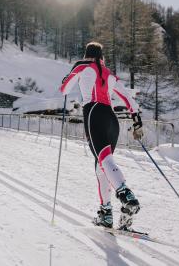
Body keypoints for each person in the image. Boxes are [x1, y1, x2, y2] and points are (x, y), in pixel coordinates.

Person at [60, 42, 144, 230]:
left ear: (87, 54)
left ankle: (126, 195)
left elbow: (64, 89)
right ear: (101, 56)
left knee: (104, 161)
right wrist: (136, 120)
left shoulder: (82, 67)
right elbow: (128, 98)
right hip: (112, 120)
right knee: (102, 165)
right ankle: (105, 214)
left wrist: (71, 72)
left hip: (93, 114)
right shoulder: (109, 74)